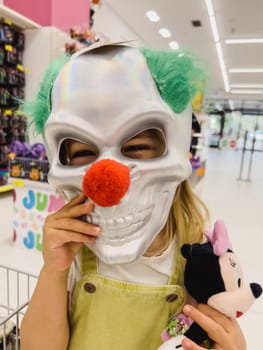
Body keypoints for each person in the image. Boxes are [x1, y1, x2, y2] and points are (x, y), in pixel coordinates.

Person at [20, 41, 246, 350]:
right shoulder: (74, 254)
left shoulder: (199, 260)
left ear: (176, 148)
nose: (109, 184)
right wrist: (53, 271)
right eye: (84, 153)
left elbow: (213, 331)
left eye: (137, 148)